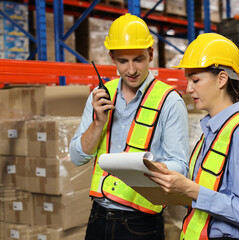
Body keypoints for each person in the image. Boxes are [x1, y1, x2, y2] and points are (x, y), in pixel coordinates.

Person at [69, 13, 189, 240]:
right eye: (123, 61)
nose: (131, 69)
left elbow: (181, 166)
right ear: (112, 58)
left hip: (141, 223)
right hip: (98, 217)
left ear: (151, 54)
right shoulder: (100, 96)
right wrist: (98, 123)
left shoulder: (169, 101)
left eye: (139, 59)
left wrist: (142, 168)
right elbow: (77, 157)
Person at [146, 33, 239, 240]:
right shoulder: (212, 133)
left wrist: (190, 189)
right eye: (188, 80)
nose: (188, 88)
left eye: (196, 80)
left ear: (222, 79)